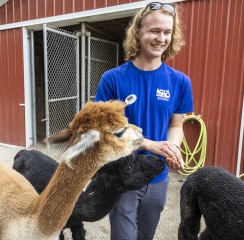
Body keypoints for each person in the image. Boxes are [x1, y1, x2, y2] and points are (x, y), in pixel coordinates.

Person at [94, 2, 193, 240]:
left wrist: (172, 149)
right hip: (123, 176)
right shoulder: (113, 79)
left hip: (158, 178)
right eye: (154, 31)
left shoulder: (180, 82)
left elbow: (176, 125)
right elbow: (104, 128)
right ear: (137, 32)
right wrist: (147, 144)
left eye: (167, 32)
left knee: (145, 236)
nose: (161, 38)